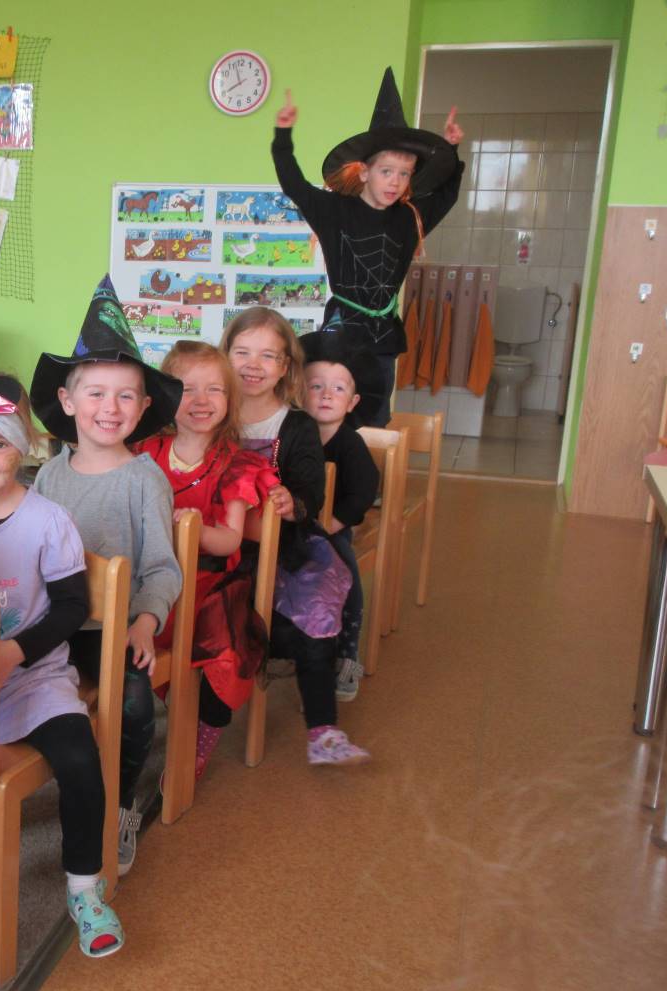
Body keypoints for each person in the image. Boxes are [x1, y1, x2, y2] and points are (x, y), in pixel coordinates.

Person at [0, 370, 124, 958]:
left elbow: (73, 606)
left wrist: (14, 652)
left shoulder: (47, 520)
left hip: (30, 680)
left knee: (80, 760)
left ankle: (84, 887)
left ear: (23, 446)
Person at [30, 275, 184, 876]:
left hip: (112, 629)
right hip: (52, 620)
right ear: (68, 401)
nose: (109, 408)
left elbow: (162, 565)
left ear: (143, 408)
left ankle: (120, 803)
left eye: (125, 397)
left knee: (134, 704)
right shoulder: (50, 475)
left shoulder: (144, 479)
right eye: (95, 393)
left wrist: (145, 622)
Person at [271, 67, 465, 426]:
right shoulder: (334, 210)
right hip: (341, 333)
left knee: (375, 419)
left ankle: (370, 463)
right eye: (386, 171)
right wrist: (283, 137)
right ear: (364, 172)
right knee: (328, 415)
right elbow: (294, 184)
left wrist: (452, 149)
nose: (395, 182)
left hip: (384, 338)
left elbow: (447, 195)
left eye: (404, 174)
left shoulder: (409, 217)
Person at [222, 307, 360, 765]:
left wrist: (290, 502)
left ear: (285, 366)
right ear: (225, 355)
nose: (253, 365)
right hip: (219, 548)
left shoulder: (296, 424)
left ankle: (323, 730)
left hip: (285, 549)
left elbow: (311, 495)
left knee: (314, 616)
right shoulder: (211, 411)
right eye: (242, 352)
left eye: (268, 355)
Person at [135, 341, 278, 781]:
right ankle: (132, 725)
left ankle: (202, 736)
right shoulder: (144, 452)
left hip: (207, 585)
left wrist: (193, 528)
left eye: (214, 389)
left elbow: (231, 538)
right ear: (165, 397)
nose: (201, 400)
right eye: (187, 389)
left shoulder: (238, 464)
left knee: (223, 656)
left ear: (230, 399)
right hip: (149, 578)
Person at [302, 329, 383, 704]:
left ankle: (348, 653)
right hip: (295, 525)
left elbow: (365, 489)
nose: (326, 395)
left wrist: (335, 523)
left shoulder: (350, 443)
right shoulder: (293, 434)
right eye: (316, 386)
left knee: (344, 573)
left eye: (338, 389)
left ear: (352, 402)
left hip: (333, 529)